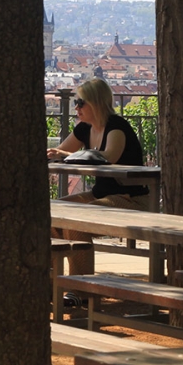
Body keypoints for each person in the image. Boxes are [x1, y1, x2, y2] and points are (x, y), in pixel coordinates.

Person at [47, 78, 148, 296]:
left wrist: (66, 155)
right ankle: (49, 282)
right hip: (100, 194)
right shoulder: (85, 128)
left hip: (130, 197)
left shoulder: (117, 127)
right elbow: (61, 152)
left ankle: (79, 291)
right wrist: (55, 154)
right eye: (76, 101)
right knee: (48, 214)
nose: (76, 107)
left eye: (81, 102)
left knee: (76, 222)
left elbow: (108, 157)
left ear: (97, 103)